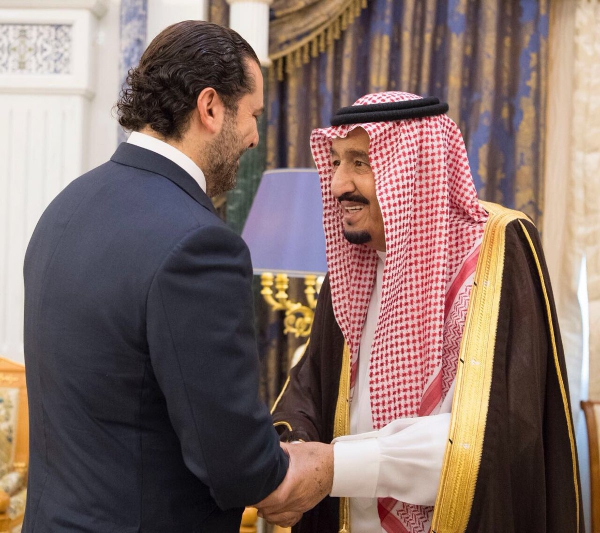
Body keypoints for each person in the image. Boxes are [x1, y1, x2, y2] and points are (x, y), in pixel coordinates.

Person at [22, 20, 330, 533]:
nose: (255, 136)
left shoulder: (65, 207)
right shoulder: (200, 244)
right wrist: (324, 466)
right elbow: (239, 465)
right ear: (210, 107)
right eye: (253, 115)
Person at [269, 92, 584, 533]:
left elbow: (493, 430)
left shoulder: (496, 253)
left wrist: (336, 465)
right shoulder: (352, 266)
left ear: (413, 170)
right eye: (336, 162)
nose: (338, 184)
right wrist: (292, 457)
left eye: (360, 162)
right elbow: (311, 388)